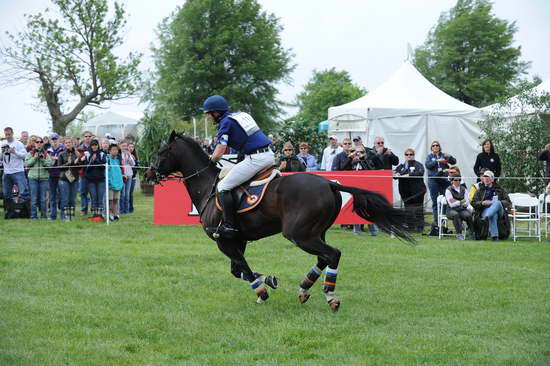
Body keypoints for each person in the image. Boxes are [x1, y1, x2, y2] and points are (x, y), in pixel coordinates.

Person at [202, 95, 274, 236]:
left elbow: (218, 153)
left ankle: (230, 226)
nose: (207, 117)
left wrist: (210, 161)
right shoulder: (241, 115)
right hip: (268, 154)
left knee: (222, 186)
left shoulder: (225, 123)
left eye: (208, 114)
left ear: (216, 113)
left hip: (256, 158)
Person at [471, 170, 511, 241]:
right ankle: (494, 237)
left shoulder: (499, 189)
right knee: (493, 215)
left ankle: (486, 217)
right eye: (484, 177)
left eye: (488, 177)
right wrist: (482, 203)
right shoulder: (480, 190)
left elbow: (508, 201)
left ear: (492, 179)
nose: (486, 179)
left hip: (499, 211)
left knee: (497, 203)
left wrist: (494, 203)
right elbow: (473, 202)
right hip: (484, 210)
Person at [425, 140, 457, 228]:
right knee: (435, 202)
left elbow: (454, 162)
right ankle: (437, 223)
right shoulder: (429, 156)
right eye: (433, 145)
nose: (435, 147)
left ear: (439, 147)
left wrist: (449, 157)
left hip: (444, 181)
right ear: (431, 148)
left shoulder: (444, 155)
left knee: (445, 201)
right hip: (433, 180)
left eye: (437, 145)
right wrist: (437, 160)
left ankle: (444, 224)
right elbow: (428, 165)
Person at [394, 148, 426, 233]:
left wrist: (408, 174)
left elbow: (420, 172)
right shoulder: (401, 166)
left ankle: (420, 227)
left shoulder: (418, 164)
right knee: (408, 208)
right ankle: (411, 226)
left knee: (418, 208)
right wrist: (396, 173)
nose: (409, 156)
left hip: (418, 191)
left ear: (414, 155)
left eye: (411, 154)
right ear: (405, 156)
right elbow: (394, 175)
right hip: (405, 191)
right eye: (407, 154)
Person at [1, 127, 30, 217]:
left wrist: (14, 152)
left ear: (12, 133)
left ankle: (26, 213)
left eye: (9, 134)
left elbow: (25, 156)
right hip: (6, 173)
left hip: (18, 172)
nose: (7, 136)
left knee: (23, 193)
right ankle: (9, 213)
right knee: (7, 194)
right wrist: (2, 152)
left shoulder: (18, 144)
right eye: (6, 134)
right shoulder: (3, 143)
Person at [25, 138, 52, 219]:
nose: (39, 143)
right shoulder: (30, 153)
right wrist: (35, 158)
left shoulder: (46, 154)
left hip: (44, 178)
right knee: (33, 198)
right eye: (37, 142)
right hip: (33, 178)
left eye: (41, 142)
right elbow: (26, 164)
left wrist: (43, 160)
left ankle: (43, 216)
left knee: (43, 199)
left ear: (42, 143)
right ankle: (33, 216)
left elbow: (49, 165)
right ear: (35, 143)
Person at [82, 139, 107, 219]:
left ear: (98, 145)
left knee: (100, 197)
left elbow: (103, 166)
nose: (94, 147)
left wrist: (96, 160)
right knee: (93, 197)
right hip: (91, 180)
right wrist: (92, 161)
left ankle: (100, 214)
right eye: (93, 145)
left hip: (101, 179)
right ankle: (94, 214)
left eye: (96, 145)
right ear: (91, 146)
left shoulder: (102, 154)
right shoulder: (87, 154)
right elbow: (86, 168)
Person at [445, 173, 474, 240]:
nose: (458, 181)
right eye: (456, 180)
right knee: (456, 215)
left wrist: (456, 201)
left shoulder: (464, 189)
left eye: (459, 180)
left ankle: (471, 233)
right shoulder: (448, 190)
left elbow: (467, 202)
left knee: (468, 215)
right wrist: (461, 201)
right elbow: (451, 204)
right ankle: (459, 234)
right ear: (452, 181)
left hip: (462, 209)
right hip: (450, 210)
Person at [57, 138, 80, 221]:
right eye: (66, 143)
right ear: (64, 144)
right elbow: (59, 167)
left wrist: (78, 162)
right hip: (64, 179)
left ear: (72, 143)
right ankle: (64, 217)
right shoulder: (61, 154)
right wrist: (68, 163)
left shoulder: (77, 153)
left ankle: (71, 216)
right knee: (65, 199)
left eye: (69, 142)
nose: (68, 144)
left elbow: (80, 167)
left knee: (72, 199)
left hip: (75, 178)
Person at [47, 134, 65, 220]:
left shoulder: (63, 148)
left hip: (61, 175)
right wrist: (50, 159)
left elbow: (65, 159)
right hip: (51, 175)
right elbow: (46, 161)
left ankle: (63, 215)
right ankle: (53, 215)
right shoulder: (48, 150)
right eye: (53, 139)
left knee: (62, 196)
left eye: (56, 139)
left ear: (59, 140)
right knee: (52, 196)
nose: (54, 141)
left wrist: (56, 158)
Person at [106, 143, 124, 221]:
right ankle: (110, 214)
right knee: (110, 200)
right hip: (110, 184)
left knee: (116, 200)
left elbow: (118, 171)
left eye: (116, 150)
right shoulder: (107, 159)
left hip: (117, 183)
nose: (115, 151)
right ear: (109, 151)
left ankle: (115, 213)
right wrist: (109, 181)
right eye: (113, 150)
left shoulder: (117, 160)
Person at [78, 131, 94, 215]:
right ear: (83, 137)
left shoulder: (95, 147)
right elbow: (77, 161)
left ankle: (93, 209)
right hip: (83, 173)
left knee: (92, 192)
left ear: (92, 137)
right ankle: (84, 210)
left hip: (93, 173)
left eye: (89, 136)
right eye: (86, 136)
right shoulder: (79, 148)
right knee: (83, 192)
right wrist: (81, 158)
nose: (87, 137)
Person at [119, 140, 135, 214]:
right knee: (122, 193)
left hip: (129, 174)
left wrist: (129, 156)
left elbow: (133, 164)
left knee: (127, 194)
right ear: (120, 146)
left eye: (125, 146)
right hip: (122, 175)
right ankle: (121, 210)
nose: (124, 147)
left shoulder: (128, 154)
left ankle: (127, 210)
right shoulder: (119, 155)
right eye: (123, 146)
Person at [127, 142, 139, 213]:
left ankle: (131, 208)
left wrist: (135, 160)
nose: (131, 148)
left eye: (132, 147)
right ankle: (125, 207)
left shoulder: (135, 156)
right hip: (127, 177)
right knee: (126, 193)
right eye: (129, 147)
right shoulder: (125, 155)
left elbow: (137, 167)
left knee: (130, 193)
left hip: (133, 177)